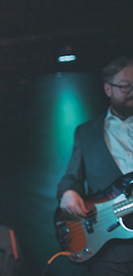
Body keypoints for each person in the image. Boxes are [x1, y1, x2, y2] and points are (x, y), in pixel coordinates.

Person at [57, 56, 133, 275]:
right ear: (108, 89)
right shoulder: (87, 132)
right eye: (126, 86)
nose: (132, 91)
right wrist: (68, 192)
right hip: (109, 250)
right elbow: (72, 177)